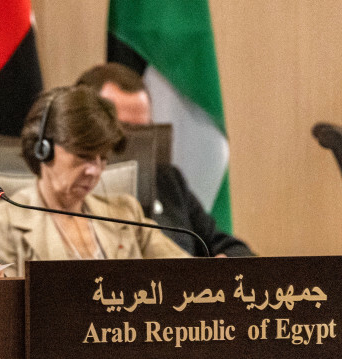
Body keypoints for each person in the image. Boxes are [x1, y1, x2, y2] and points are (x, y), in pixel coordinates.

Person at [0, 86, 190, 277]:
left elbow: (189, 273)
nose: (95, 170)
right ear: (44, 149)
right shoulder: (4, 224)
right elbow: (3, 311)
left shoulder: (126, 213)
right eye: (83, 155)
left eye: (103, 158)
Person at [76, 63, 255, 257]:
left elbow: (231, 247)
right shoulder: (74, 188)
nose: (135, 142)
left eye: (144, 131)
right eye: (123, 130)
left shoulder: (168, 181)